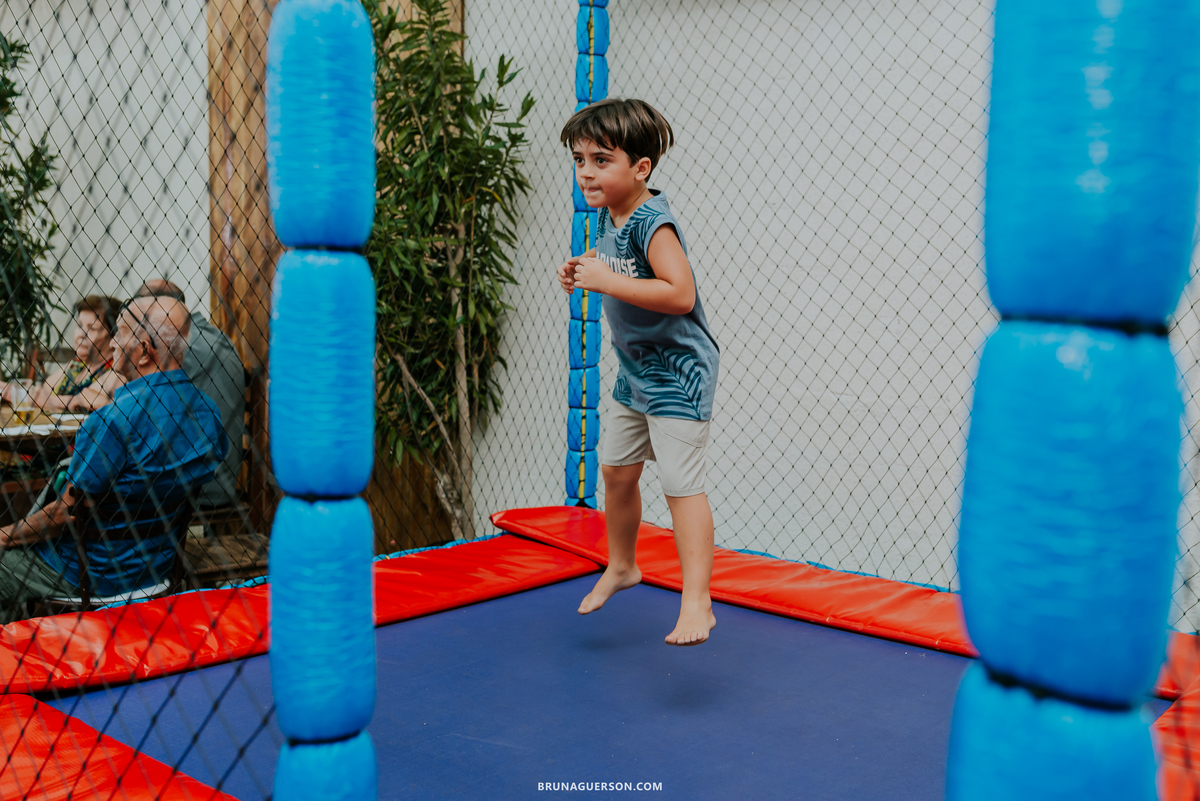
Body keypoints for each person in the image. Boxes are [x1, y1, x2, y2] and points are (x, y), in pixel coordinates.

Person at [556, 99, 721, 646]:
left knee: (680, 485)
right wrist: (583, 267)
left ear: (640, 168)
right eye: (580, 160)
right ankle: (623, 565)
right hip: (635, 372)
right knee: (617, 470)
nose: (586, 172)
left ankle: (697, 602)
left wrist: (607, 281)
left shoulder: (654, 223)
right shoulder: (611, 214)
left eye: (601, 161)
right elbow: (616, 263)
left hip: (677, 373)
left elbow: (679, 293)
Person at [0, 296, 226, 622]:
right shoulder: (207, 413)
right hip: (158, 569)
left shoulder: (111, 422)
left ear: (144, 351)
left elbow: (64, 515)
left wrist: (4, 535)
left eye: (120, 333)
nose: (114, 344)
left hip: (90, 575)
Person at [135, 280, 245, 510]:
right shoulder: (219, 339)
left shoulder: (178, 345)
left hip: (195, 489)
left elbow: (139, 406)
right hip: (222, 482)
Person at [0, 295, 125, 413]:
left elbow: (82, 401)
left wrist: (11, 392)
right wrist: (7, 389)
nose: (81, 334)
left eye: (92, 328)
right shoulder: (77, 365)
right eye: (79, 325)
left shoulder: (118, 371)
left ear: (113, 337)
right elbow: (39, 392)